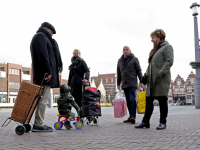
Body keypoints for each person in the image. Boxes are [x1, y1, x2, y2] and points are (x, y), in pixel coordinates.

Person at [135, 29, 174, 130]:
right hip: (152, 80)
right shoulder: (155, 50)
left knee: (162, 100)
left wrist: (160, 73)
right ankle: (145, 122)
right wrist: (145, 77)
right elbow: (151, 66)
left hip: (161, 79)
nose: (151, 40)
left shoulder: (167, 47)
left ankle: (162, 122)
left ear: (159, 37)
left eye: (153, 38)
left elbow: (169, 61)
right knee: (148, 100)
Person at [30, 22, 63, 132]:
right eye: (51, 32)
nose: (52, 35)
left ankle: (38, 123)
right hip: (44, 75)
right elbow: (43, 55)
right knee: (43, 100)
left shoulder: (42, 37)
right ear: (47, 28)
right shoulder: (40, 36)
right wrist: (48, 71)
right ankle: (38, 124)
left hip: (43, 74)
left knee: (41, 99)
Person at [117, 46, 143, 124]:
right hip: (124, 84)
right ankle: (130, 116)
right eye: (124, 50)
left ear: (130, 51)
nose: (125, 51)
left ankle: (133, 116)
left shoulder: (134, 59)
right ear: (122, 51)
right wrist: (118, 83)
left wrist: (141, 81)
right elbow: (119, 73)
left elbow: (139, 71)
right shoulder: (120, 61)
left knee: (132, 99)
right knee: (128, 101)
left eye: (127, 49)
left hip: (132, 83)